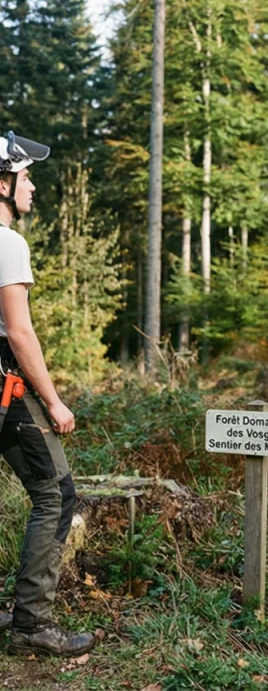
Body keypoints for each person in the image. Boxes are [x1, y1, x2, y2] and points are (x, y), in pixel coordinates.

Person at [0, 132, 95, 657]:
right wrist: (54, 401)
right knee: (55, 495)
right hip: (7, 390)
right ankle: (34, 623)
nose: (32, 186)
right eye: (26, 176)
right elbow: (19, 332)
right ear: (3, 182)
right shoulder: (7, 242)